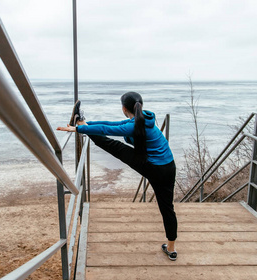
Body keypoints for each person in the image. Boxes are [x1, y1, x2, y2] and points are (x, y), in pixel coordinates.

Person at [57, 92, 178, 261]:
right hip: (169, 167)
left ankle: (80, 121)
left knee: (113, 145)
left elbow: (108, 129)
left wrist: (78, 128)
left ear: (123, 108)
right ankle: (171, 249)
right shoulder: (144, 118)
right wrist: (86, 125)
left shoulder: (135, 124)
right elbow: (110, 124)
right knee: (167, 208)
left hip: (153, 167)